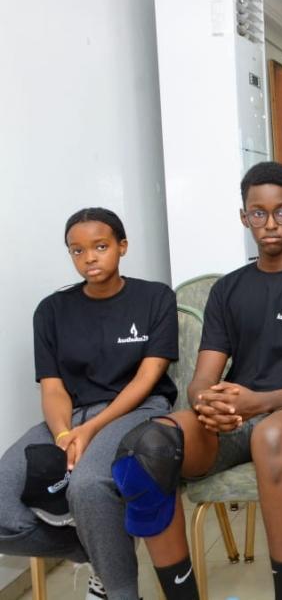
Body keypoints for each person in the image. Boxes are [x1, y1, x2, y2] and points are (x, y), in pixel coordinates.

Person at [124, 162, 282, 600]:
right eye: (259, 213)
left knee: (271, 435)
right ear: (244, 217)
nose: (270, 223)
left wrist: (256, 402)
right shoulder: (228, 289)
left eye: (281, 212)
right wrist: (209, 402)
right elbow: (202, 380)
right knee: (147, 448)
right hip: (238, 415)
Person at [0, 208, 177, 600]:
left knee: (88, 485)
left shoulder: (155, 298)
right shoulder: (51, 311)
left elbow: (147, 378)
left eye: (100, 246)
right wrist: (64, 434)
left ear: (122, 246)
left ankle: (120, 591)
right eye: (77, 250)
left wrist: (91, 429)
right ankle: (99, 552)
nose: (89, 258)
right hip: (73, 415)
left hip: (140, 409)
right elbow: (53, 388)